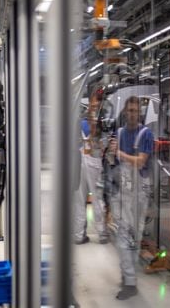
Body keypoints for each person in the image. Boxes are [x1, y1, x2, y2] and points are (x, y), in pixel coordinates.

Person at [109, 96, 154, 300]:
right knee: (124, 237)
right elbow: (112, 161)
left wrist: (119, 153)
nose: (133, 113)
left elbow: (140, 161)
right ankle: (129, 278)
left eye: (136, 110)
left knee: (131, 237)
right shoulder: (119, 133)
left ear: (140, 113)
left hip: (138, 192)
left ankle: (130, 279)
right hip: (122, 191)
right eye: (130, 110)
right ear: (125, 112)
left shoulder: (146, 134)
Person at [74, 87, 109, 245]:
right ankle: (100, 233)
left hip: (84, 160)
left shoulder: (84, 121)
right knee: (94, 197)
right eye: (92, 105)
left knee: (83, 199)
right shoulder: (98, 122)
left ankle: (80, 234)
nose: (93, 108)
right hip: (89, 161)